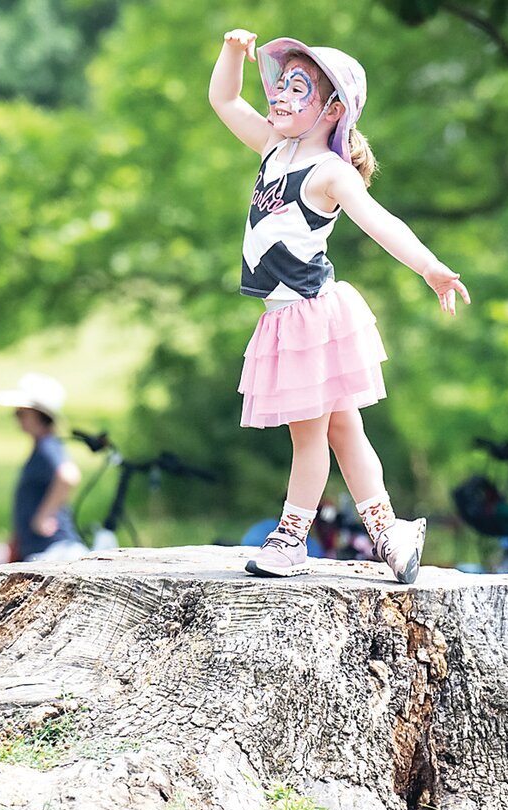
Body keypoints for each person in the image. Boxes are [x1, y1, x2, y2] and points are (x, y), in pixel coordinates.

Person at [211, 31, 470, 582]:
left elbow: (381, 223)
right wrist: (233, 54)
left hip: (311, 317)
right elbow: (225, 101)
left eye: (295, 88)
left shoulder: (329, 173)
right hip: (286, 319)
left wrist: (429, 267)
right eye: (278, 85)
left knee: (310, 435)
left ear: (331, 109)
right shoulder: (272, 149)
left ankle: (290, 537)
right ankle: (388, 530)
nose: (278, 96)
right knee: (344, 430)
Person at [0, 373, 86, 561]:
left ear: (40, 416)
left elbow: (68, 475)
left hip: (52, 551)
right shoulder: (42, 447)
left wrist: (44, 516)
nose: (16, 417)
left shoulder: (47, 446)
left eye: (21, 413)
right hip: (43, 549)